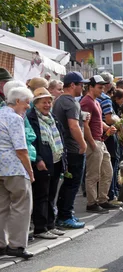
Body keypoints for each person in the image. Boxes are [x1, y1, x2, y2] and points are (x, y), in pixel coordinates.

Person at [0, 87, 35, 259]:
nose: (28, 106)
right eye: (27, 102)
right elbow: (21, 150)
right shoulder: (15, 118)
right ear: (18, 101)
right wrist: (30, 171)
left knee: (1, 207)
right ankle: (16, 245)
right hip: (13, 167)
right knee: (22, 206)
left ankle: (0, 244)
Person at [27, 88, 66, 240]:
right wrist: (38, 160)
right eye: (44, 102)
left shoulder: (52, 117)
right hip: (42, 162)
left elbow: (60, 137)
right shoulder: (31, 119)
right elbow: (32, 142)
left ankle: (51, 225)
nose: (47, 104)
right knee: (41, 196)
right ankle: (40, 228)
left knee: (51, 195)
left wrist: (64, 159)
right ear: (36, 103)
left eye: (49, 101)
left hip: (55, 160)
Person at [52, 72, 89, 229]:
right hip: (73, 149)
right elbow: (73, 126)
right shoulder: (70, 102)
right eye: (81, 84)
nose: (83, 87)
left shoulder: (60, 100)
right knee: (72, 183)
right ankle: (65, 216)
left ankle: (64, 214)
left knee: (68, 183)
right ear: (72, 85)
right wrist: (83, 145)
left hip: (64, 148)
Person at [80, 75, 118, 214]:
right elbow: (85, 125)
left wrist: (107, 127)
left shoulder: (95, 101)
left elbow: (96, 121)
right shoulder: (87, 102)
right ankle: (92, 203)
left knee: (107, 172)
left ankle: (102, 199)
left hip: (100, 141)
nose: (102, 90)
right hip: (94, 142)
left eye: (103, 87)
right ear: (90, 87)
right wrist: (91, 143)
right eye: (100, 87)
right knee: (93, 175)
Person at [97, 72, 123, 207]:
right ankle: (110, 195)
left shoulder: (91, 99)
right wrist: (119, 122)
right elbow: (108, 119)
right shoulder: (105, 99)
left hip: (98, 134)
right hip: (107, 134)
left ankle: (105, 195)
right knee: (111, 165)